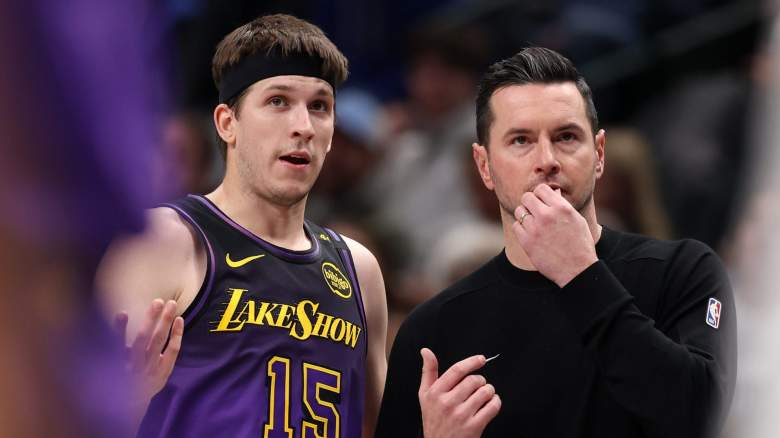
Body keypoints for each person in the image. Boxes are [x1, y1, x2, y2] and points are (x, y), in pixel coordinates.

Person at [375, 47, 736, 438]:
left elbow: (701, 416)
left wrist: (581, 274)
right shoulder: (434, 329)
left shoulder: (682, 271)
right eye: (521, 141)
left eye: (566, 136)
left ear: (599, 154)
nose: (547, 159)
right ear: (484, 166)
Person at [97, 14, 388, 437]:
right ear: (227, 123)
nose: (303, 127)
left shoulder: (359, 270)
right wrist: (125, 405)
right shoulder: (165, 241)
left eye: (320, 106)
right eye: (278, 102)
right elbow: (64, 413)